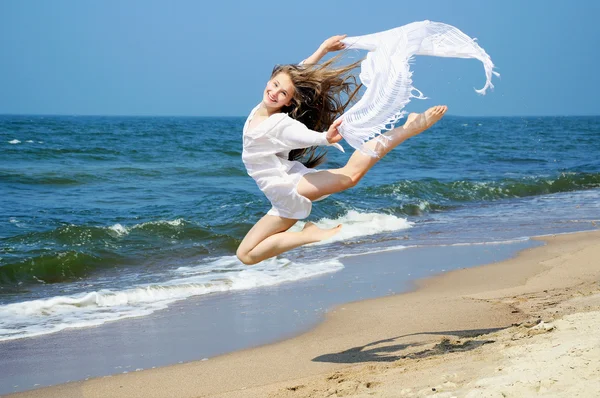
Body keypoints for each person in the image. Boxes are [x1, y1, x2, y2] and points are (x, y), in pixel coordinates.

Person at [236, 34, 448, 265]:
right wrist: (323, 48)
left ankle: (409, 129)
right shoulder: (262, 107)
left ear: (289, 102)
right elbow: (300, 71)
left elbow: (303, 135)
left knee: (351, 176)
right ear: (270, 80)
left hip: (288, 186)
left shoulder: (279, 123)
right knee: (245, 255)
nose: (275, 92)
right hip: (279, 197)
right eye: (275, 85)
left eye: (283, 93)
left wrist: (326, 138)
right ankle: (306, 234)